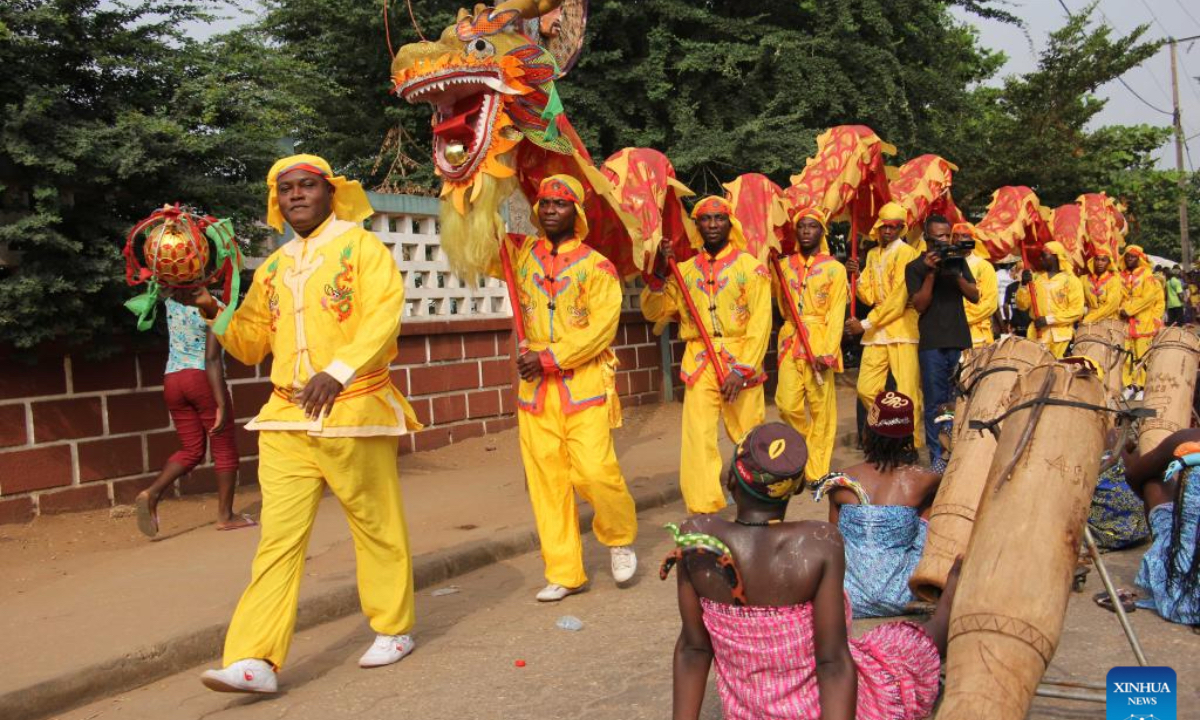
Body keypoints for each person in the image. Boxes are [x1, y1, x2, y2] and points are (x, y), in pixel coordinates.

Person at [180, 154, 423, 693]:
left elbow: (385, 318)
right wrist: (208, 304)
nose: (295, 196)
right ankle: (254, 659)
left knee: (375, 526)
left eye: (307, 186)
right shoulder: (273, 266)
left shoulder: (362, 248)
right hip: (287, 416)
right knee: (278, 540)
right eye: (285, 189)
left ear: (330, 193)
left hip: (354, 409)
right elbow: (247, 343)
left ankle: (393, 626)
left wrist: (337, 372)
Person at [665, 422, 960, 720]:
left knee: (889, 646)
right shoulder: (818, 544)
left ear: (730, 480)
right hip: (821, 709)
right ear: (793, 489)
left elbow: (693, 650)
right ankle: (946, 611)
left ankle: (943, 615)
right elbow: (832, 662)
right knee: (903, 649)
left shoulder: (698, 542)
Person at [500, 175, 638, 602]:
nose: (549, 210)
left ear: (575, 213)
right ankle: (565, 571)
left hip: (583, 384)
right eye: (543, 203)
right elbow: (472, 243)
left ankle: (618, 538)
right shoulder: (519, 255)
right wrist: (473, 189)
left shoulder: (598, 266)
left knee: (595, 471)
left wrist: (551, 357)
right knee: (547, 480)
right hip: (536, 391)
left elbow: (601, 329)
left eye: (559, 204)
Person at [642, 196, 771, 514]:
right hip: (699, 362)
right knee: (698, 438)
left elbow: (760, 322)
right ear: (697, 226)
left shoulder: (751, 269)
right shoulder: (683, 270)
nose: (713, 224)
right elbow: (654, 310)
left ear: (730, 224)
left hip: (740, 359)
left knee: (749, 434)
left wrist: (742, 370)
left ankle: (757, 499)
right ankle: (704, 509)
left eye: (719, 218)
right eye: (706, 219)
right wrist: (660, 273)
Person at [812, 391, 940, 617]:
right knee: (930, 508)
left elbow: (835, 541)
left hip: (849, 598)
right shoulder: (924, 481)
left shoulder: (842, 480)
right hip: (903, 596)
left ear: (868, 432)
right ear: (908, 437)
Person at [134, 298, 252, 537]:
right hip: (201, 379)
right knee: (224, 446)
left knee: (191, 449)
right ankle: (226, 516)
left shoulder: (172, 301)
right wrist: (220, 402)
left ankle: (152, 493)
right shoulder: (214, 307)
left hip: (173, 379)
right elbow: (211, 358)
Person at [773, 207, 847, 483]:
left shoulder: (834, 269)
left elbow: (837, 312)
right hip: (791, 338)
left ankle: (816, 471)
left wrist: (827, 351)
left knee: (821, 409)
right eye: (802, 226)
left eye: (812, 226)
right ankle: (805, 445)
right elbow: (782, 304)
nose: (806, 231)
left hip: (820, 338)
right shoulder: (782, 266)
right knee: (786, 403)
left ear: (822, 232)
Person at [845, 201, 925, 449]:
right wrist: (857, 277)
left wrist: (866, 323)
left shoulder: (909, 254)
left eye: (893, 227)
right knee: (866, 388)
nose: (887, 232)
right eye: (884, 227)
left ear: (901, 229)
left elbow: (899, 300)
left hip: (901, 328)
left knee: (907, 390)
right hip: (878, 329)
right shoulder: (871, 254)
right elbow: (868, 296)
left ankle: (909, 443)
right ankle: (891, 429)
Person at [904, 216, 979, 468]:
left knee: (961, 400)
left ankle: (959, 458)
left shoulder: (958, 261)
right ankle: (938, 460)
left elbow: (975, 296)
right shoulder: (914, 267)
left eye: (947, 236)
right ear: (926, 239)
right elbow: (920, 304)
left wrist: (954, 272)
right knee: (935, 403)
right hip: (932, 344)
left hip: (959, 341)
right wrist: (932, 273)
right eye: (939, 237)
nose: (945, 241)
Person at [1122, 430, 1200, 625]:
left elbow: (1133, 475)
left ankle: (1167, 554)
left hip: (1183, 598)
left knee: (1152, 481)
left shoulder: (1187, 439)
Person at [1015, 241, 1084, 358]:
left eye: (1044, 255)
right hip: (1037, 336)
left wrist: (1049, 320)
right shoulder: (1035, 278)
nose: (1041, 259)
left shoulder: (1071, 280)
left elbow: (1077, 311)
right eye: (1040, 256)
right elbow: (1022, 305)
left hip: (1061, 338)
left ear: (1056, 257)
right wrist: (1023, 284)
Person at [1120, 245, 1165, 388]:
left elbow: (1149, 298)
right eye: (1127, 256)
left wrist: (1130, 309)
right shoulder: (1121, 275)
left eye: (1133, 256)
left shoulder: (1147, 275)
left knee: (1142, 355)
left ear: (1139, 258)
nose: (1129, 259)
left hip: (1144, 322)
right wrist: (1122, 309)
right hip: (1125, 322)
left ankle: (1142, 385)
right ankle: (1128, 385)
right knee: (1126, 355)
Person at [959, 224, 999, 349]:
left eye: (964, 236)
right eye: (955, 236)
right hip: (950, 336)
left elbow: (990, 303)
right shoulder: (943, 265)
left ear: (973, 240)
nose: (959, 239)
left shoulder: (984, 267)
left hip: (978, 338)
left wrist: (961, 318)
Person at [1081, 248, 1124, 324]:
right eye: (1097, 260)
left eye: (1103, 260)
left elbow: (1111, 305)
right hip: (1087, 320)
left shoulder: (1114, 280)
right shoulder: (1083, 279)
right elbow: (1079, 301)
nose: (1099, 263)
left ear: (1109, 263)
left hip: (1109, 321)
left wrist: (1090, 318)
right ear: (1093, 261)